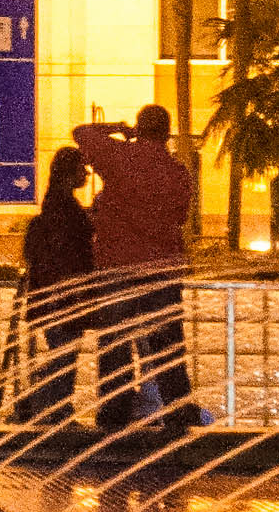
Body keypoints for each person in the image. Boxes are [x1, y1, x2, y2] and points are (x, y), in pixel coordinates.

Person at [72, 105, 197, 431]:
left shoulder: (119, 157)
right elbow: (181, 216)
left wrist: (118, 128)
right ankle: (178, 414)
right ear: (166, 133)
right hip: (161, 270)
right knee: (168, 346)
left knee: (115, 345)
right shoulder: (177, 172)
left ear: (139, 129)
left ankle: (114, 415)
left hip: (118, 268)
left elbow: (81, 133)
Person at [16, 146, 100, 427]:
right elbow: (66, 254)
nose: (86, 173)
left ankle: (47, 407)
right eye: (81, 168)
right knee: (64, 354)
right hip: (62, 296)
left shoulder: (58, 204)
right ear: (67, 172)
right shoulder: (63, 209)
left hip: (58, 295)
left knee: (63, 354)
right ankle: (47, 408)